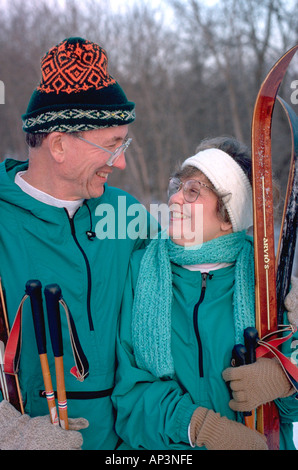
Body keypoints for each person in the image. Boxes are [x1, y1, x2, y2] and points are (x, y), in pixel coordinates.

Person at [0, 37, 156, 450]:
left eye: (124, 145)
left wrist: (268, 284)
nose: (120, 162)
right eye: (110, 146)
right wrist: (10, 432)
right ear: (59, 145)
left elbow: (193, 273)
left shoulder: (128, 215)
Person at [112, 136, 298, 450]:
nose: (173, 200)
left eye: (193, 191)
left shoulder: (268, 283)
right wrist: (199, 427)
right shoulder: (141, 272)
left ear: (229, 216)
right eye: (177, 186)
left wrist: (285, 377)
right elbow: (130, 397)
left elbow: (290, 410)